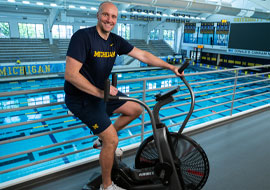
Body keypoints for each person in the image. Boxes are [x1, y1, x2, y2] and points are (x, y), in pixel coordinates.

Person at [64, 1, 183, 190]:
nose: (109, 20)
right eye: (105, 15)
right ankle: (106, 186)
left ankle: (101, 139)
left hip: (102, 93)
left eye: (113, 17)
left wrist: (170, 66)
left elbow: (143, 55)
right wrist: (100, 92)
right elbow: (70, 75)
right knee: (113, 139)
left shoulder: (115, 41)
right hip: (82, 98)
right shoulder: (83, 37)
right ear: (98, 15)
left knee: (135, 109)